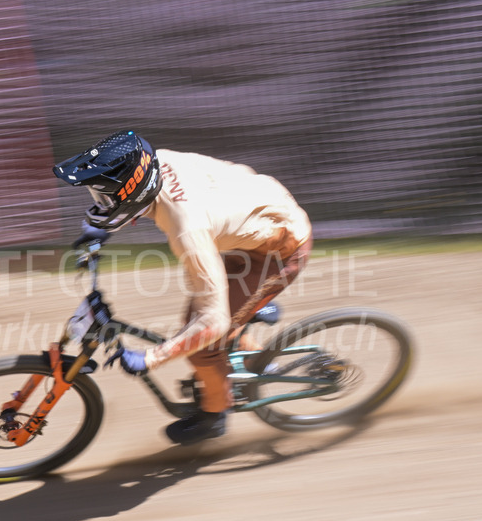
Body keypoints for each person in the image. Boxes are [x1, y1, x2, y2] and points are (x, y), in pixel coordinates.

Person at [54, 130, 312, 445]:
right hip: (256, 210)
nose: (101, 205)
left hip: (279, 245)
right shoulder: (157, 161)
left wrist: (150, 359)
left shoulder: (187, 230)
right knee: (208, 320)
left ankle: (215, 414)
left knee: (203, 344)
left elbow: (211, 322)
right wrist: (96, 230)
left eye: (106, 198)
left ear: (135, 192)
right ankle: (251, 341)